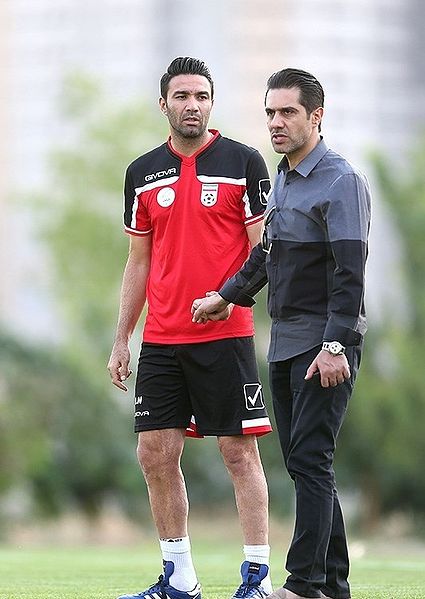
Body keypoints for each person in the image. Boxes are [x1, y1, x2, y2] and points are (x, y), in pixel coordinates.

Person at [192, 67, 371, 599]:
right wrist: (225, 297)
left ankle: (302, 583)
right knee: (302, 462)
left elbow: (351, 273)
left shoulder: (341, 180)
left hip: (324, 344)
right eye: (270, 112)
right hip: (287, 341)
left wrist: (336, 344)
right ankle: (333, 585)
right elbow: (267, 256)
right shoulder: (285, 178)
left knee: (311, 459)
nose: (276, 122)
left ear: (316, 116)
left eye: (288, 112)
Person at [107, 57, 274, 599]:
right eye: (182, 96)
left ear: (212, 101)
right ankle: (179, 578)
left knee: (238, 453)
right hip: (161, 339)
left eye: (202, 95)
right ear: (165, 105)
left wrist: (230, 299)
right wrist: (121, 339)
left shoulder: (244, 162)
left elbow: (264, 250)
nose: (193, 105)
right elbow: (137, 262)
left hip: (226, 335)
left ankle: (257, 577)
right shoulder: (141, 172)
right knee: (154, 453)